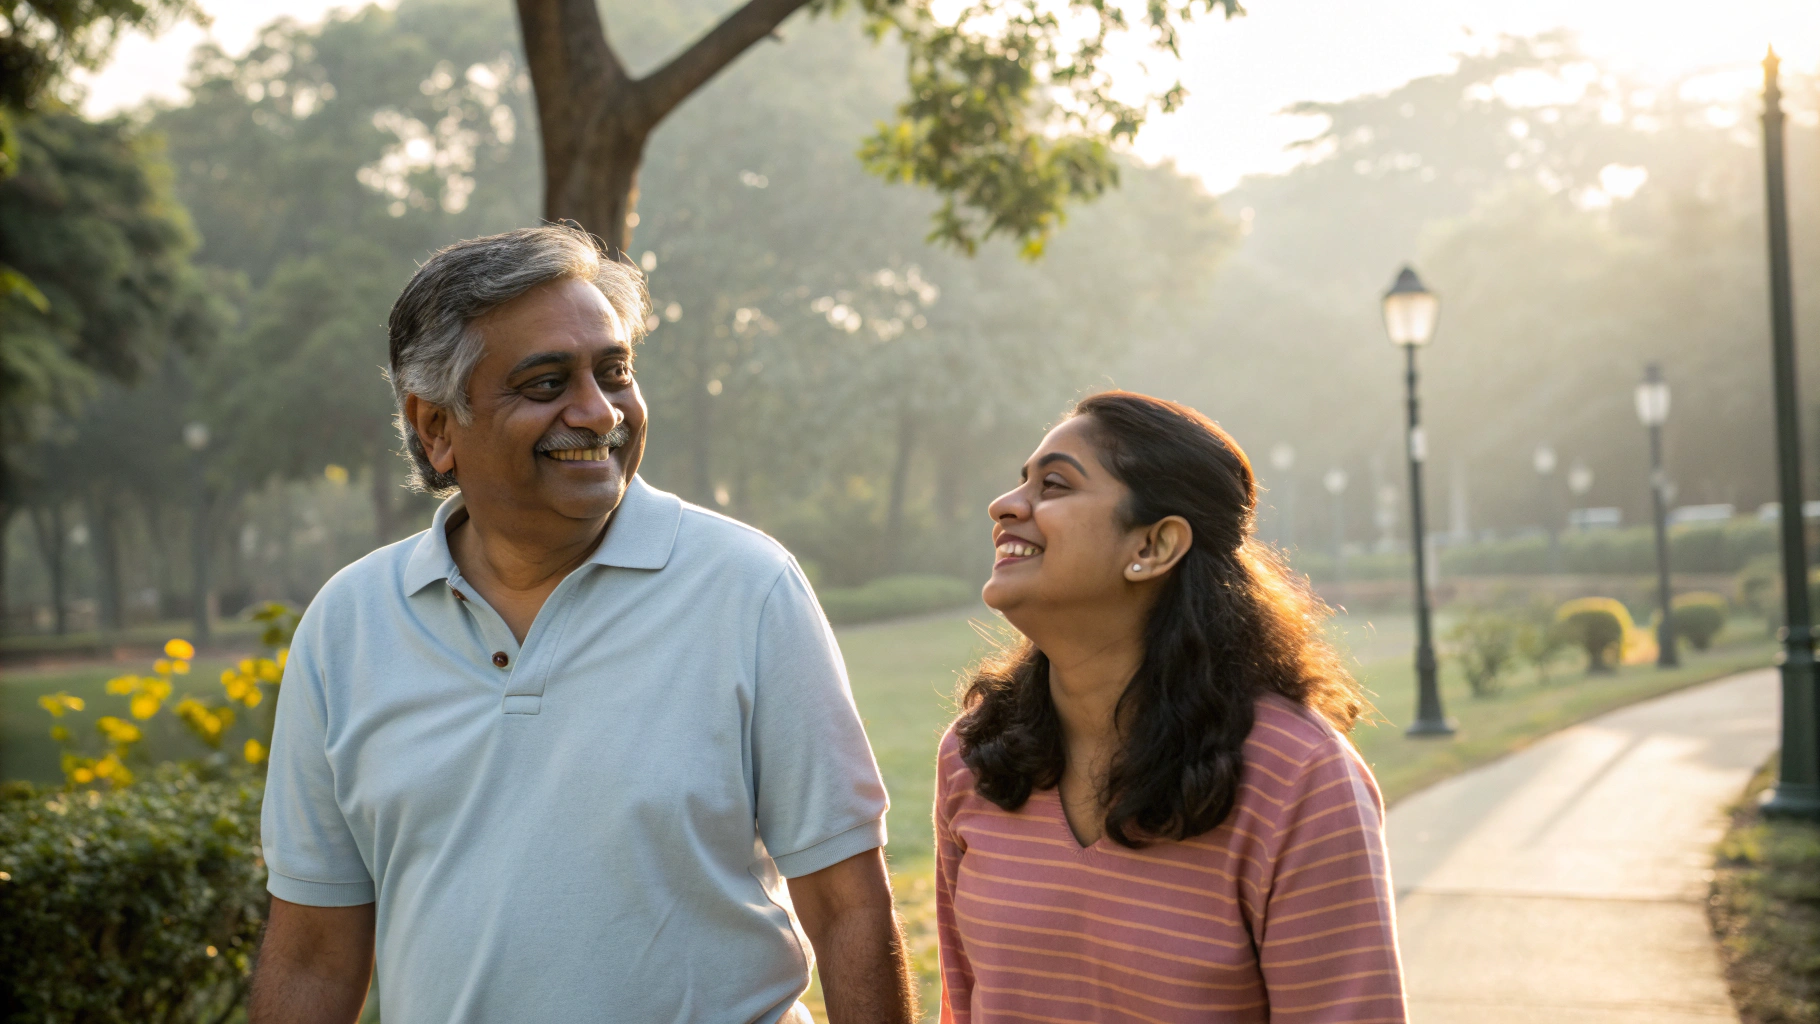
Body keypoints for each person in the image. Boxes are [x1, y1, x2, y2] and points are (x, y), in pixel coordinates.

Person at [251, 226, 916, 1024]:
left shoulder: (747, 588)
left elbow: (849, 910)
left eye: (615, 373)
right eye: (545, 384)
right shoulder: (346, 627)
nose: (598, 413)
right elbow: (314, 954)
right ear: (435, 428)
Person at [934, 391, 1406, 1023]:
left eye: (1053, 484)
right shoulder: (975, 756)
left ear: (1153, 547)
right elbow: (961, 1007)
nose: (1005, 505)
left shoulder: (1299, 778)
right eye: (1022, 483)